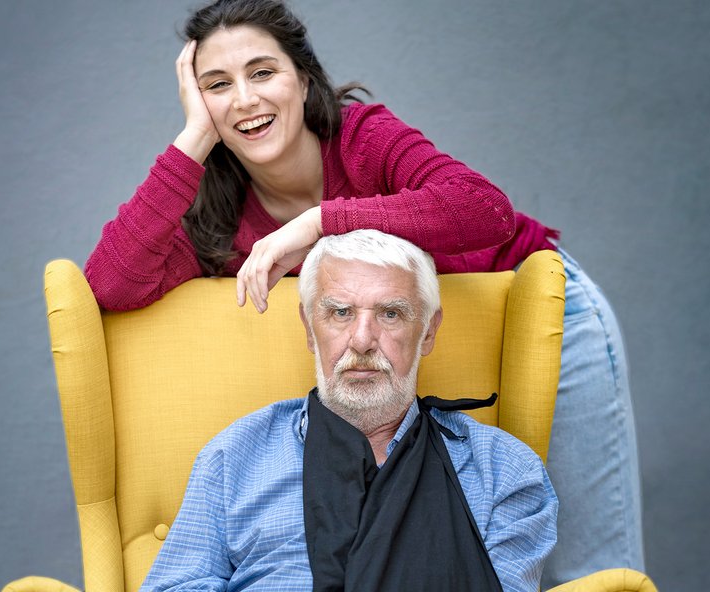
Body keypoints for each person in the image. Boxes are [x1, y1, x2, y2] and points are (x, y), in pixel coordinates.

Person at [84, 0, 644, 585]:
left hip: (539, 302)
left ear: (304, 79)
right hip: (392, 350)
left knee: (590, 562)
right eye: (217, 85)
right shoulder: (219, 217)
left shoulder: (360, 138)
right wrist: (195, 138)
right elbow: (110, 283)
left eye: (262, 72)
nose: (244, 99)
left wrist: (319, 223)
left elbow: (485, 210)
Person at [140, 229, 558, 592]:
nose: (361, 341)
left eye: (390, 314)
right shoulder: (235, 457)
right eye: (340, 313)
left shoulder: (502, 470)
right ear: (309, 327)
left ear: (428, 331)